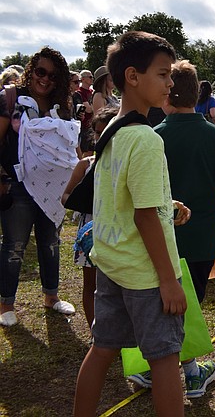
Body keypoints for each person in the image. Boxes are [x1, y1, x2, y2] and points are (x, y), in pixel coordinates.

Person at [73, 31, 187, 416]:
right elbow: (142, 216)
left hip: (112, 262)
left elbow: (124, 198)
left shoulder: (112, 129)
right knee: (165, 359)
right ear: (133, 77)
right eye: (163, 73)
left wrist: (166, 205)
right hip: (147, 275)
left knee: (102, 349)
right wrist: (169, 280)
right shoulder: (146, 138)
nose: (170, 82)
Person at [134, 59, 215, 398]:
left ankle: (151, 367)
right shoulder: (214, 135)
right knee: (190, 306)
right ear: (198, 95)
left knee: (159, 304)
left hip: (158, 239)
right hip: (200, 240)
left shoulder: (153, 136)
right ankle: (188, 372)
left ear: (167, 95)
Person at [0, 47, 78, 327]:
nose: (45, 79)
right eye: (40, 72)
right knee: (14, 245)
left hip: (52, 187)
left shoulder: (63, 108)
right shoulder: (9, 99)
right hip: (18, 186)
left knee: (50, 243)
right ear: (31, 70)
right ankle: (6, 304)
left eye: (53, 75)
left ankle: (51, 296)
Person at [62, 106, 119, 329]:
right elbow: (65, 197)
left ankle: (119, 336)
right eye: (96, 132)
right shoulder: (85, 165)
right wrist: (84, 199)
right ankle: (97, 332)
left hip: (119, 231)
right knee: (92, 285)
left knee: (119, 285)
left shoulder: (126, 164)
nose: (100, 137)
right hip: (91, 231)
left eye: (106, 132)